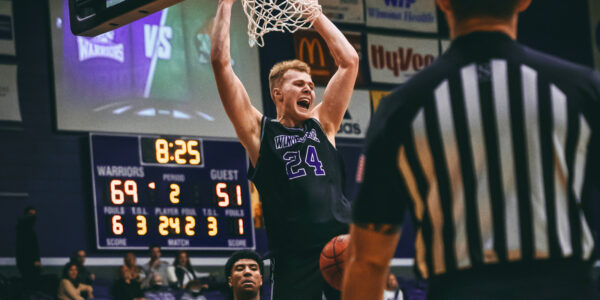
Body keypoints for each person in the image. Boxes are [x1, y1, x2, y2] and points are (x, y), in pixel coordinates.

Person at [343, 0, 600, 299]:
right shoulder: (581, 91)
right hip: (563, 287)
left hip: (458, 288)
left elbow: (368, 262)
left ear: (442, 3)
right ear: (524, 2)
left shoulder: (401, 108)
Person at [210, 0, 359, 298]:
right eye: (299, 84)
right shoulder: (259, 131)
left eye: (310, 85)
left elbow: (350, 61)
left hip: (341, 246)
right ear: (277, 93)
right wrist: (225, 4)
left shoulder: (323, 123)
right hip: (294, 260)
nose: (308, 89)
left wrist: (314, 15)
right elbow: (220, 62)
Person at [16, 206, 41, 285]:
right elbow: (30, 247)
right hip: (28, 263)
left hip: (27, 262)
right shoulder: (25, 230)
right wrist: (35, 260)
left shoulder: (24, 229)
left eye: (34, 215)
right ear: (26, 215)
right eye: (31, 214)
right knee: (30, 283)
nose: (33, 217)